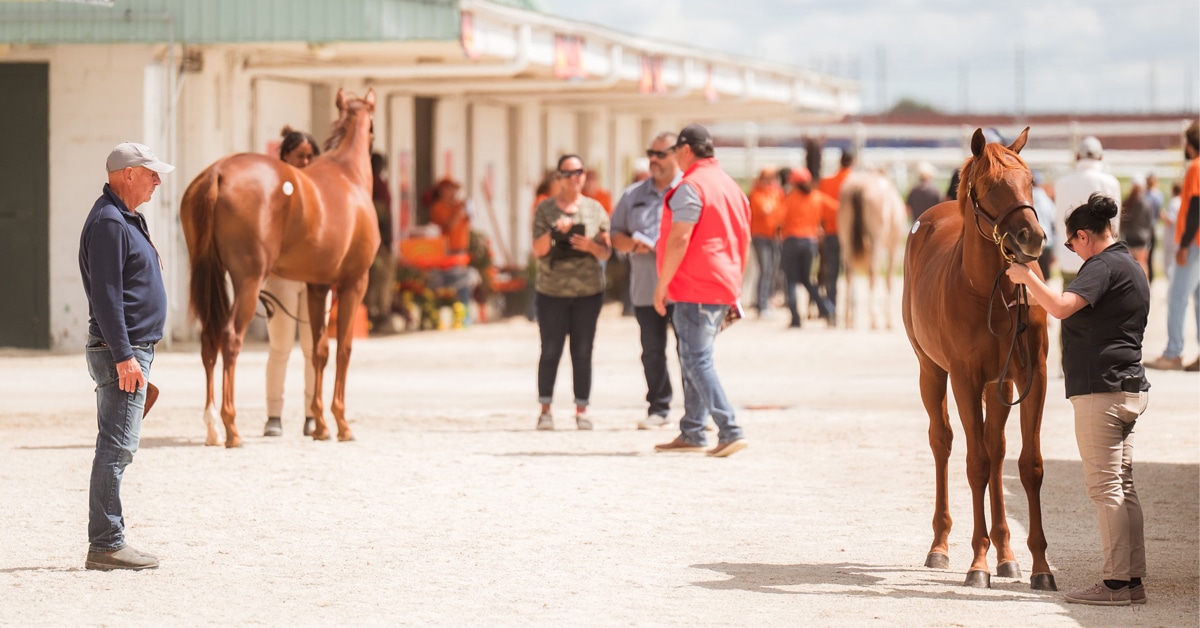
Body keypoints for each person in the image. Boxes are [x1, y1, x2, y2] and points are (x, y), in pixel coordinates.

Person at [1006, 193, 1151, 607]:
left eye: (1071, 244)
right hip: (1127, 387)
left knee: (1106, 488)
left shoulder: (1101, 266)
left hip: (1099, 389)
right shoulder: (1131, 266)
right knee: (1123, 486)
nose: (1072, 251)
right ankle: (1132, 579)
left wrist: (1026, 277)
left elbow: (1062, 306)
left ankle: (1115, 584)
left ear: (1084, 236)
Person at [78, 141, 174, 570]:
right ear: (127, 174)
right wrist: (123, 356)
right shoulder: (109, 223)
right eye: (150, 172)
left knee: (117, 447)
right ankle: (106, 543)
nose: (157, 180)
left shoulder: (126, 218)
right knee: (115, 449)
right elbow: (107, 296)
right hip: (123, 351)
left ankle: (107, 540)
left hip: (131, 348)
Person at [652, 123, 750, 457]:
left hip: (695, 285)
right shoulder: (730, 186)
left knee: (696, 358)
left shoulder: (691, 186)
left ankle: (729, 428)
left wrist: (662, 285)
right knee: (693, 356)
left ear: (685, 150)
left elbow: (679, 238)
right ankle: (693, 431)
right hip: (723, 283)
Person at [531, 155, 612, 430]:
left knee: (582, 350)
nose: (573, 177)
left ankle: (582, 409)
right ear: (559, 177)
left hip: (588, 292)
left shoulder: (595, 209)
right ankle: (545, 410)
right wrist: (555, 232)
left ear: (584, 175)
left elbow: (607, 250)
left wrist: (590, 247)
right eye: (567, 173)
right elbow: (538, 251)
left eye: (578, 172)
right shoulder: (545, 209)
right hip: (552, 291)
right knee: (551, 350)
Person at [611, 132, 683, 429]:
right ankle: (659, 406)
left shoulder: (689, 192)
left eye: (660, 154)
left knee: (690, 352)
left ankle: (696, 411)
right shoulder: (632, 196)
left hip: (683, 290)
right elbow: (615, 236)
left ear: (677, 155)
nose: (653, 160)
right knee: (652, 351)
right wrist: (633, 245)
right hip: (645, 288)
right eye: (650, 154)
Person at [262, 127, 322, 438]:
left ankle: (313, 413)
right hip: (281, 276)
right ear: (285, 156)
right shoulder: (274, 188)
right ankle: (274, 415)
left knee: (315, 350)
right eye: (300, 156)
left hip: (315, 278)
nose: (306, 161)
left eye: (311, 156)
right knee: (280, 347)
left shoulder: (322, 189)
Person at [1146, 121, 1200, 372]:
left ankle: (1173, 353)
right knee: (1198, 298)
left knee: (1177, 296)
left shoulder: (1195, 168)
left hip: (1194, 244)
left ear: (1189, 145)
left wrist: (1184, 244)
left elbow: (1196, 209)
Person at [1053, 136, 1122, 288]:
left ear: (1077, 157)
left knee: (1070, 308)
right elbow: (1114, 225)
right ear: (1101, 157)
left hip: (1069, 258)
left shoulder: (1061, 184)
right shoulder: (1111, 183)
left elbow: (1058, 220)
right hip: (1103, 260)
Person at [780, 167, 835, 327]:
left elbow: (778, 218)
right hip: (810, 243)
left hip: (791, 241)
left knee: (790, 281)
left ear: (794, 184)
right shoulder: (817, 197)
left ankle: (796, 319)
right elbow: (836, 208)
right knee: (808, 280)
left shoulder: (789, 199)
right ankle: (827, 309)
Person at [365, 152, 395, 332]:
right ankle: (379, 314)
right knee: (382, 278)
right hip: (379, 241)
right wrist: (386, 240)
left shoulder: (365, 182)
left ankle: (370, 313)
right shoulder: (378, 185)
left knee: (371, 279)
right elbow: (382, 215)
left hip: (371, 239)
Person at [747, 167, 784, 315]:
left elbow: (781, 210)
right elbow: (764, 209)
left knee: (773, 270)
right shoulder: (756, 194)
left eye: (772, 178)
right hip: (760, 236)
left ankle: (766, 299)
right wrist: (774, 210)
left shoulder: (776, 193)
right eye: (766, 179)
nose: (769, 182)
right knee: (765, 269)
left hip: (774, 235)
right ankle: (761, 304)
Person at [1120, 175, 1152, 278]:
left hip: (1129, 237)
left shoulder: (1126, 202)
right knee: (1142, 264)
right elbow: (1149, 222)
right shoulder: (1146, 203)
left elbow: (1122, 221)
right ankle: (1145, 290)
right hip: (1142, 238)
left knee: (1129, 267)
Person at [1032, 171, 1058, 279]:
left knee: (1030, 279)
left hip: (1029, 243)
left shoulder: (1024, 198)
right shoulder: (1047, 201)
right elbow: (1054, 224)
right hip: (1046, 242)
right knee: (1044, 278)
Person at [1161, 181, 1183, 283]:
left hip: (1171, 238)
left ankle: (1172, 285)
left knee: (1169, 265)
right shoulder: (1182, 202)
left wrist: (1163, 215)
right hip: (1179, 238)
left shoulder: (1174, 202)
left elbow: (1170, 220)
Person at [1145, 172, 1164, 280]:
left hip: (1144, 227)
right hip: (1151, 227)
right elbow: (1158, 213)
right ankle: (1150, 279)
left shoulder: (1143, 195)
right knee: (1150, 256)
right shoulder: (1158, 195)